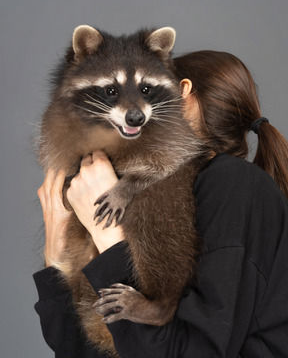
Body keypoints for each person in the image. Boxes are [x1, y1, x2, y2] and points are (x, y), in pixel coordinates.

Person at [34, 50, 288, 357]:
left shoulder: (234, 184)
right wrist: (56, 255)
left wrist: (108, 235)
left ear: (181, 92)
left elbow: (194, 351)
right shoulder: (161, 191)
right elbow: (77, 348)